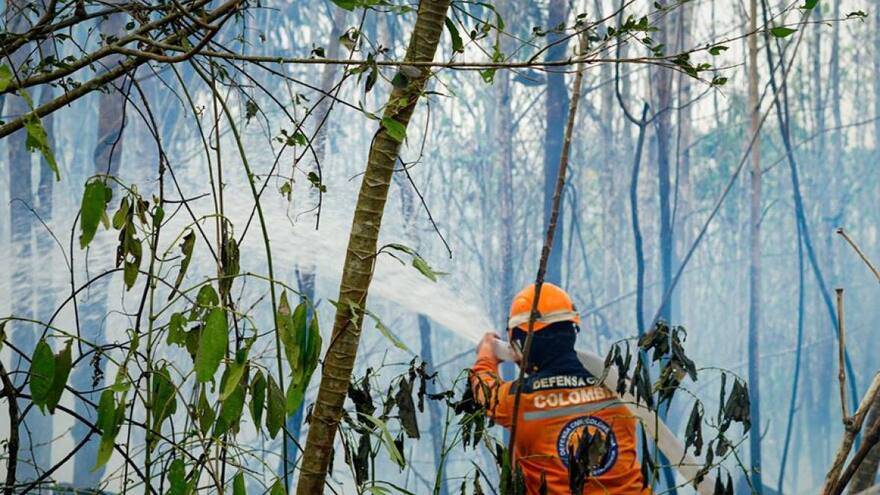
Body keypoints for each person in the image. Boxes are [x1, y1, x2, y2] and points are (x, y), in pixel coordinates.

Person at [471, 282, 649, 494]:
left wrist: (486, 354)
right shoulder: (619, 387)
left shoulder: (519, 400)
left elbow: (484, 391)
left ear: (521, 342)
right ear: (572, 330)